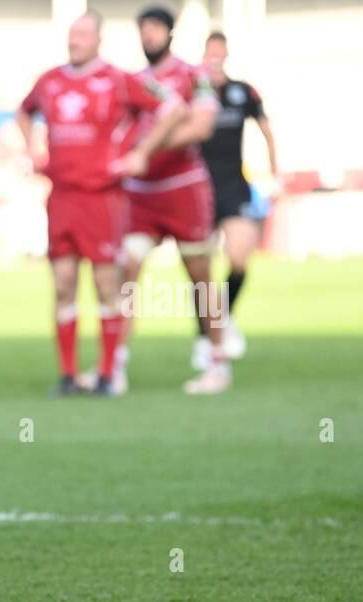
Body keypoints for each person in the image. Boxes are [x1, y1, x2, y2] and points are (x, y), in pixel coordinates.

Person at [17, 10, 184, 397]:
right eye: (71, 34)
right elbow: (25, 111)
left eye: (82, 35)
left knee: (107, 283)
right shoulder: (50, 81)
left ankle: (109, 372)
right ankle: (68, 375)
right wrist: (31, 148)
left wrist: (142, 152)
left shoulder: (119, 80)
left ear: (98, 40)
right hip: (61, 195)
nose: (74, 41)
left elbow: (173, 106)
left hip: (103, 196)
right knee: (62, 283)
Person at [119, 6, 228, 395]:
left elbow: (200, 127)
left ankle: (217, 360)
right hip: (141, 195)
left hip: (184, 189)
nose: (149, 36)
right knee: (125, 275)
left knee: (200, 278)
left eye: (155, 29)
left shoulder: (193, 76)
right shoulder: (132, 81)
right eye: (143, 30)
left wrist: (145, 148)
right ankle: (114, 365)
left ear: (169, 33)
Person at [197, 30, 277, 366]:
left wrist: (275, 173)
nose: (215, 57)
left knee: (239, 259)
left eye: (220, 51)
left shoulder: (241, 92)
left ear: (226, 55)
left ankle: (221, 319)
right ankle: (204, 339)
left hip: (233, 185)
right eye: (210, 51)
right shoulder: (192, 92)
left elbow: (265, 128)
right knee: (199, 268)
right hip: (198, 187)